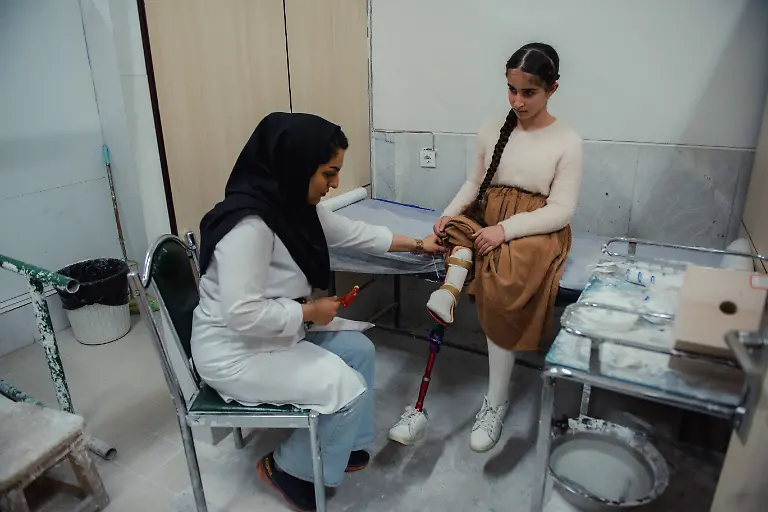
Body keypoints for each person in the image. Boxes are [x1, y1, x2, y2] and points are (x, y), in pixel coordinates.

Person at [191, 112, 444, 511]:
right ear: (297, 165)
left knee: (360, 351)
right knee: (345, 388)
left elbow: (358, 235)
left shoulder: (293, 207)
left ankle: (347, 448)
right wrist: (309, 312)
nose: (336, 184)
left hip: (271, 333)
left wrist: (417, 245)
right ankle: (286, 469)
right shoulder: (249, 227)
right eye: (329, 173)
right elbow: (242, 314)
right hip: (235, 352)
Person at [388, 43, 583, 452]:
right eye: (511, 89)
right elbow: (474, 186)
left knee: (506, 275)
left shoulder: (567, 141)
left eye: (528, 93)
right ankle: (449, 293)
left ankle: (495, 401)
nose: (517, 100)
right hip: (488, 217)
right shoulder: (492, 127)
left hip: (533, 227)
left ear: (553, 89)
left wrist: (505, 230)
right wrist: (446, 215)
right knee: (457, 229)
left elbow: (561, 211)